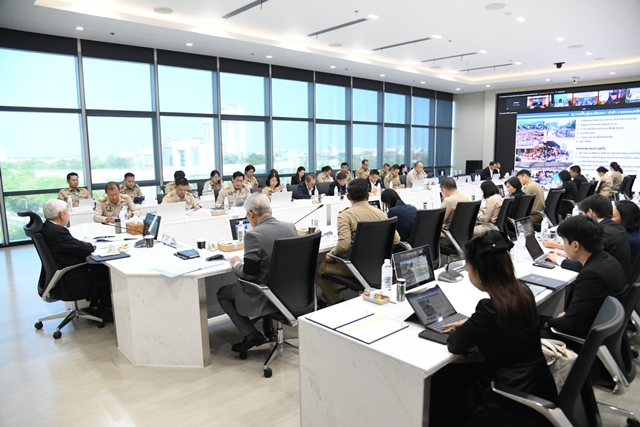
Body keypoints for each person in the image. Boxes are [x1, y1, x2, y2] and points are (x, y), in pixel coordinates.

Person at [430, 231, 557, 427]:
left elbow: (455, 344)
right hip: (538, 384)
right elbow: (505, 325)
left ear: (478, 272)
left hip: (507, 397)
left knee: (441, 382)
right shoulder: (522, 291)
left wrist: (473, 325)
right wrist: (473, 323)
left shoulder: (490, 309)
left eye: (468, 269)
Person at [216, 193, 298, 353]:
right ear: (270, 211)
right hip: (290, 291)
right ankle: (267, 327)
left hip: (264, 293)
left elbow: (249, 275)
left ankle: (251, 334)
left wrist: (236, 264)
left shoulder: (253, 235)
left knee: (222, 293)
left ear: (251, 214)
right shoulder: (290, 227)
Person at [316, 179, 400, 305]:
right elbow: (396, 239)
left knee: (319, 267)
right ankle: (325, 300)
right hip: (378, 266)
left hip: (353, 267)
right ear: (368, 196)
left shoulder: (345, 215)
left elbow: (344, 246)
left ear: (348, 196)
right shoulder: (380, 214)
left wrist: (331, 254)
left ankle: (337, 301)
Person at [543, 215, 627, 338]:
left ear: (575, 245)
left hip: (584, 337)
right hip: (599, 326)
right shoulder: (606, 260)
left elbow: (569, 324)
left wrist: (548, 323)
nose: (564, 247)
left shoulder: (592, 276)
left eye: (564, 242)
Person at [41, 199, 112, 319]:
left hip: (60, 272)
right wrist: (87, 245)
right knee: (106, 271)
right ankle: (102, 311)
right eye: (67, 211)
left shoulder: (46, 228)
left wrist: (77, 243)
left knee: (98, 267)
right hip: (70, 278)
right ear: (61, 214)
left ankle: (94, 305)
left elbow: (68, 245)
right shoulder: (58, 232)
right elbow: (86, 249)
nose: (68, 214)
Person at [544, 195, 631, 274]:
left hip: (604, 279)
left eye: (583, 214)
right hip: (619, 275)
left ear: (590, 212)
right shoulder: (618, 227)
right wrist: (567, 255)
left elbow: (584, 265)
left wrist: (558, 259)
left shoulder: (600, 232)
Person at [440, 177, 470, 244]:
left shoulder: (448, 201)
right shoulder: (467, 199)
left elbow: (439, 221)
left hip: (449, 237)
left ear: (444, 190)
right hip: (464, 236)